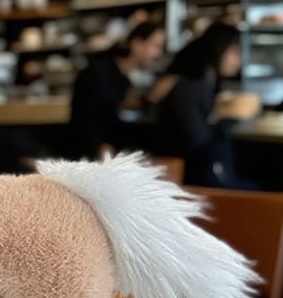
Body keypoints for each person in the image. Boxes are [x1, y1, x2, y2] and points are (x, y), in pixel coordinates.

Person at [151, 21, 260, 188]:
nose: (239, 61)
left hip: (203, 174)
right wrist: (225, 117)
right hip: (193, 181)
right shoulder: (191, 86)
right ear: (219, 48)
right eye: (235, 52)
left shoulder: (205, 82)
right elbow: (197, 142)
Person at [70, 21, 166, 159]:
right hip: (90, 158)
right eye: (155, 46)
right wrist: (99, 146)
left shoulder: (124, 79)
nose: (159, 54)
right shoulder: (99, 72)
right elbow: (85, 120)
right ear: (137, 44)